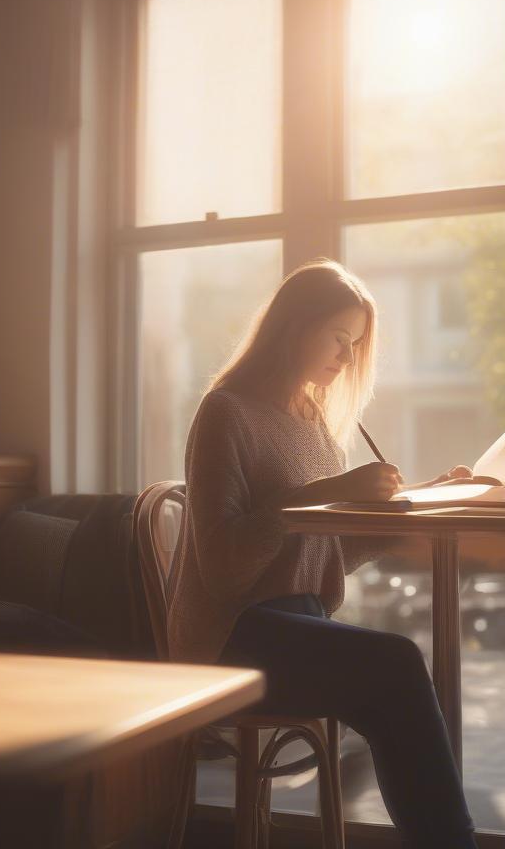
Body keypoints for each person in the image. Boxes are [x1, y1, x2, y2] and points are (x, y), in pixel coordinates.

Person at [165, 258, 478, 849]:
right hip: (234, 635)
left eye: (355, 344)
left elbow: (328, 550)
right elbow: (224, 567)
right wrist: (332, 492)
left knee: (394, 683)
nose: (346, 356)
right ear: (294, 327)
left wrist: (421, 501)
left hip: (300, 621)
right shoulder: (225, 412)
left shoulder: (310, 420)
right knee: (397, 666)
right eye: (339, 338)